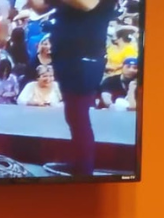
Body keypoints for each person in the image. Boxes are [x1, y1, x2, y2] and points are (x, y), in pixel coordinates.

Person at [44, 0, 114, 176]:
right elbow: (39, 6)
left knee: (79, 115)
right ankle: (78, 163)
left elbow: (87, 4)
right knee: (73, 115)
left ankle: (84, 170)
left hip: (85, 57)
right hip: (66, 57)